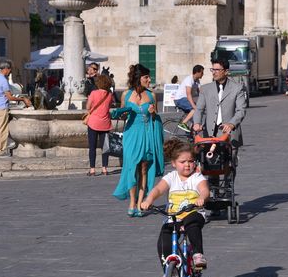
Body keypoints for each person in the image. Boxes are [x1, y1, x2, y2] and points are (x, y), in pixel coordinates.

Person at [141, 138, 210, 277]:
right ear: (173, 163)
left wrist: (202, 198)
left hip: (194, 214)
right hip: (174, 217)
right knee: (163, 243)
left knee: (192, 223)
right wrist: (148, 200)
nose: (187, 165)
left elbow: (205, 190)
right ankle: (168, 275)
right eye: (182, 162)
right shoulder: (171, 177)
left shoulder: (197, 177)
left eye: (191, 161)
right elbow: (158, 189)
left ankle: (198, 255)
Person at [112, 63, 164, 217]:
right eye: (146, 77)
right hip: (131, 135)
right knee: (131, 167)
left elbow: (156, 117)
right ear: (138, 78)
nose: (149, 80)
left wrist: (153, 113)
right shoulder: (126, 95)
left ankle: (141, 203)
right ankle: (132, 201)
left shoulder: (152, 95)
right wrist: (120, 114)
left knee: (143, 168)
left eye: (149, 77)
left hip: (147, 133)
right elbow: (123, 115)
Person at [192, 58, 246, 154]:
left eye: (217, 70)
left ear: (226, 71)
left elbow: (241, 110)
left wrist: (232, 124)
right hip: (209, 134)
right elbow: (199, 109)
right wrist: (196, 123)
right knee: (209, 165)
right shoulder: (205, 89)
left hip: (229, 134)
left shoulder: (237, 88)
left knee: (229, 165)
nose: (214, 72)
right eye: (212, 69)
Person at [0, 61, 32, 158]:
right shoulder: (3, 80)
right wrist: (23, 99)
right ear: (6, 69)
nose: (9, 72)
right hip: (2, 108)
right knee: (2, 130)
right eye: (9, 70)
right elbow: (10, 97)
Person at [85, 74, 114, 176]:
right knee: (105, 147)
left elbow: (88, 107)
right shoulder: (110, 95)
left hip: (93, 123)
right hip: (105, 123)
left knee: (92, 147)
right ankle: (104, 168)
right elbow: (110, 106)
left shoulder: (93, 93)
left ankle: (92, 170)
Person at [173, 65, 204, 133]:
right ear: (197, 72)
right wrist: (194, 106)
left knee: (195, 118)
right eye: (202, 72)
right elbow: (188, 94)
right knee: (195, 109)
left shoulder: (197, 81)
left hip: (185, 99)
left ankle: (190, 135)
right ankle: (183, 123)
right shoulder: (189, 79)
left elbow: (201, 93)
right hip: (180, 99)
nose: (203, 74)